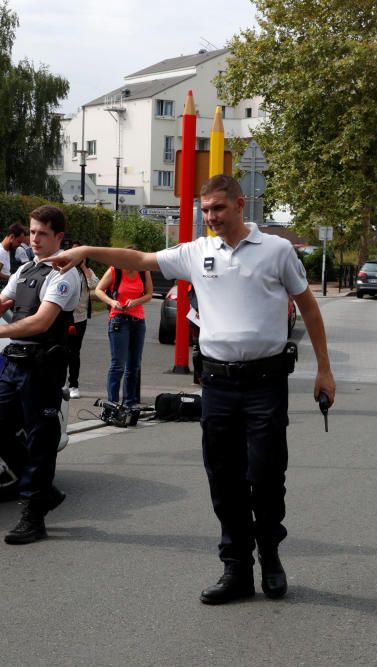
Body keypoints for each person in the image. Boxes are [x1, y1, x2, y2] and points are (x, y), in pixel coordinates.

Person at [52, 174, 336, 604]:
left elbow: (310, 309)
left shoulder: (276, 251)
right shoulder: (196, 252)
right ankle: (236, 568)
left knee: (265, 475)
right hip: (218, 384)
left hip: (265, 383)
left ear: (241, 205)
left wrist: (324, 371)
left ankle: (270, 557)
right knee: (224, 478)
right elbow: (142, 258)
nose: (211, 218)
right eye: (205, 211)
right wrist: (87, 251)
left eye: (218, 208)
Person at [0, 205, 80, 545]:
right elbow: (3, 308)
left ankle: (33, 515)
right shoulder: (26, 267)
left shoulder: (63, 272)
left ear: (58, 237)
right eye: (32, 232)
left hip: (43, 367)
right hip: (15, 364)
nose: (35, 239)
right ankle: (45, 491)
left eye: (43, 233)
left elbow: (42, 322)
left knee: (40, 443)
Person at [94, 247, 153, 408]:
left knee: (134, 365)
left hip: (138, 320)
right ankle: (112, 402)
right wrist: (113, 302)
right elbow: (99, 290)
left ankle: (130, 402)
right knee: (118, 364)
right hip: (119, 320)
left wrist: (135, 302)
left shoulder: (143, 271)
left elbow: (149, 294)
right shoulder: (115, 270)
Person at [68, 241, 99, 399]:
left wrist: (84, 267)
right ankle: (59, 382)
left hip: (79, 317)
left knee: (74, 352)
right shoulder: (64, 270)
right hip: (63, 316)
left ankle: (73, 384)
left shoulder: (87, 272)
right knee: (60, 350)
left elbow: (95, 284)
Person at [0, 223, 31, 292]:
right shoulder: (0, 251)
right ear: (12, 237)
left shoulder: (5, 251)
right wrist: (12, 277)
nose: (19, 245)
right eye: (18, 242)